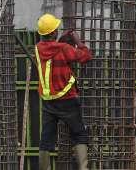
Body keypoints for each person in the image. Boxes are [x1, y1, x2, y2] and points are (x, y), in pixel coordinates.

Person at [35, 13, 93, 170]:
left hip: (48, 102)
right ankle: (83, 168)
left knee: (46, 139)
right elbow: (86, 56)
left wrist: (62, 41)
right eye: (56, 30)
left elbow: (52, 51)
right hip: (67, 99)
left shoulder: (38, 49)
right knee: (79, 134)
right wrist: (77, 41)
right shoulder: (64, 49)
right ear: (53, 33)